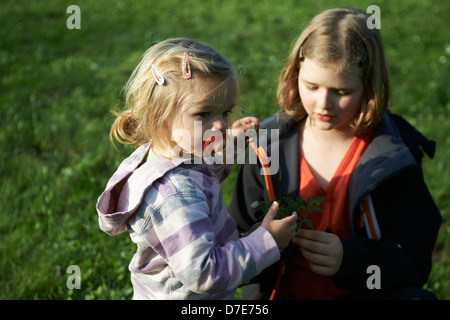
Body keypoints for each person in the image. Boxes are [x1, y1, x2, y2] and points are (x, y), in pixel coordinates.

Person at [229, 8, 442, 300]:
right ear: (295, 74)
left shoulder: (393, 155)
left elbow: (414, 261)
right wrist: (261, 243)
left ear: (369, 86)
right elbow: (231, 239)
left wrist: (351, 260)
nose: (323, 104)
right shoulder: (265, 147)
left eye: (341, 92)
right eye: (312, 86)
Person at [96, 37, 298, 300]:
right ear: (160, 114)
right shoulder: (174, 195)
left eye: (225, 112)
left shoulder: (174, 152)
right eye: (203, 114)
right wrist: (265, 242)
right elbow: (205, 272)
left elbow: (204, 173)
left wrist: (231, 145)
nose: (220, 126)